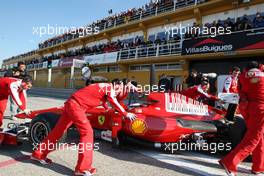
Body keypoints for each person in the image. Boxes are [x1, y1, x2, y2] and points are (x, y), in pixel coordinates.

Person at [31, 79, 137, 176]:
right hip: (76, 106)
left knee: (58, 131)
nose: (119, 92)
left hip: (72, 104)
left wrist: (128, 90)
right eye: (121, 88)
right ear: (117, 84)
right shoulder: (109, 87)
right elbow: (114, 100)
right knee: (87, 132)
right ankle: (82, 169)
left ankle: (38, 153)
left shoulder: (104, 88)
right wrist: (125, 114)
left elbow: (108, 101)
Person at [219, 61, 264, 176]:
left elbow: (240, 91)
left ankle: (258, 167)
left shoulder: (242, 77)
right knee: (253, 138)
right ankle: (229, 162)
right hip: (260, 109)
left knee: (259, 137)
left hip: (246, 108)